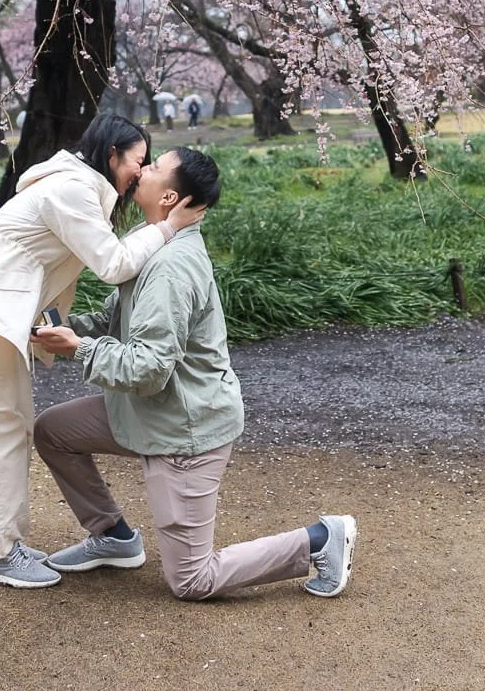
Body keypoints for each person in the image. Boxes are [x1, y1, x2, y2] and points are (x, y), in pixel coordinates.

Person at [32, 148, 356, 600]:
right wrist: (59, 328)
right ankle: (113, 536)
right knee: (53, 432)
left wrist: (79, 348)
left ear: (168, 196)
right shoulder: (152, 241)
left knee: (191, 580)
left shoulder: (170, 267)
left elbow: (148, 369)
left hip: (186, 430)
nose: (141, 169)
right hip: (147, 413)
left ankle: (320, 540)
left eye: (154, 166)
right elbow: (115, 318)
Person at [0, 114, 207, 589]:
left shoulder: (77, 185)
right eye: (138, 161)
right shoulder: (73, 189)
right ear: (111, 154)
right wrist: (169, 226)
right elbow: (113, 264)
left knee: (1, 423)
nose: (141, 171)